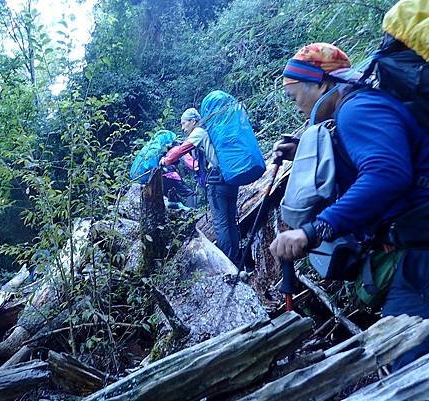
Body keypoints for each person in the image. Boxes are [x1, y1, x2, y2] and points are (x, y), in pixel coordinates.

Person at [270, 42, 429, 370]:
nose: (296, 106)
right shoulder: (360, 107)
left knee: (407, 365)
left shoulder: (357, 110)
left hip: (421, 252)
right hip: (416, 248)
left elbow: (387, 173)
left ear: (319, 82)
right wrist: (302, 149)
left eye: (294, 95)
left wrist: (313, 231)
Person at [161, 108, 241, 263]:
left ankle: (228, 264)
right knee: (231, 221)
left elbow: (180, 151)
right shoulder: (211, 130)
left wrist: (165, 160)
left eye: (184, 123)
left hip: (218, 180)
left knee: (221, 223)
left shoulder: (199, 132)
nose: (183, 128)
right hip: (230, 177)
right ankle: (238, 261)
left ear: (193, 121)